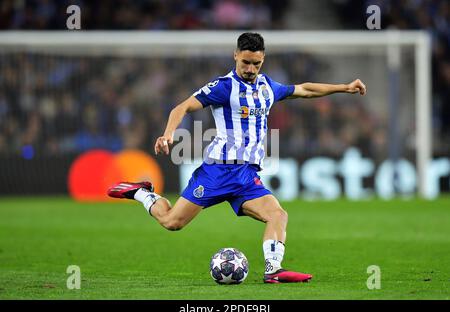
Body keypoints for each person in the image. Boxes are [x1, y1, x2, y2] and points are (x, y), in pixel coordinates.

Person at [108, 32, 366, 283]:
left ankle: (273, 270)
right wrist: (167, 135)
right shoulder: (224, 87)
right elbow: (182, 107)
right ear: (235, 56)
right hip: (217, 172)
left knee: (278, 215)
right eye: (246, 62)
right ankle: (142, 193)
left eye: (256, 63)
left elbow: (304, 90)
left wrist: (344, 87)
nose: (251, 69)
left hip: (245, 176)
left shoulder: (267, 86)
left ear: (263, 60)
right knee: (172, 222)